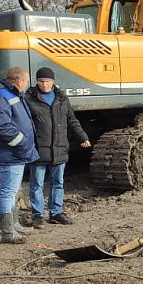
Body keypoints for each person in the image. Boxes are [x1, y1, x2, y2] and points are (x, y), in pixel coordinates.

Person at [24, 67, 91, 227]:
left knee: (58, 182)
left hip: (59, 147)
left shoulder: (61, 98)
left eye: (47, 81)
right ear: (37, 82)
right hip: (39, 149)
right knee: (37, 184)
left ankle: (56, 212)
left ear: (53, 82)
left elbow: (71, 120)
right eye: (41, 81)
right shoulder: (29, 98)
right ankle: (37, 215)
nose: (44, 84)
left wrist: (82, 137)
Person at [0, 67, 40, 244]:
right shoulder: (2, 96)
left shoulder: (9, 94)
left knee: (13, 190)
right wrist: (21, 141)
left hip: (15, 153)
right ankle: (8, 232)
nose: (26, 85)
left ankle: (14, 225)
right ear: (19, 81)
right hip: (10, 153)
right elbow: (0, 125)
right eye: (26, 81)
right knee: (7, 192)